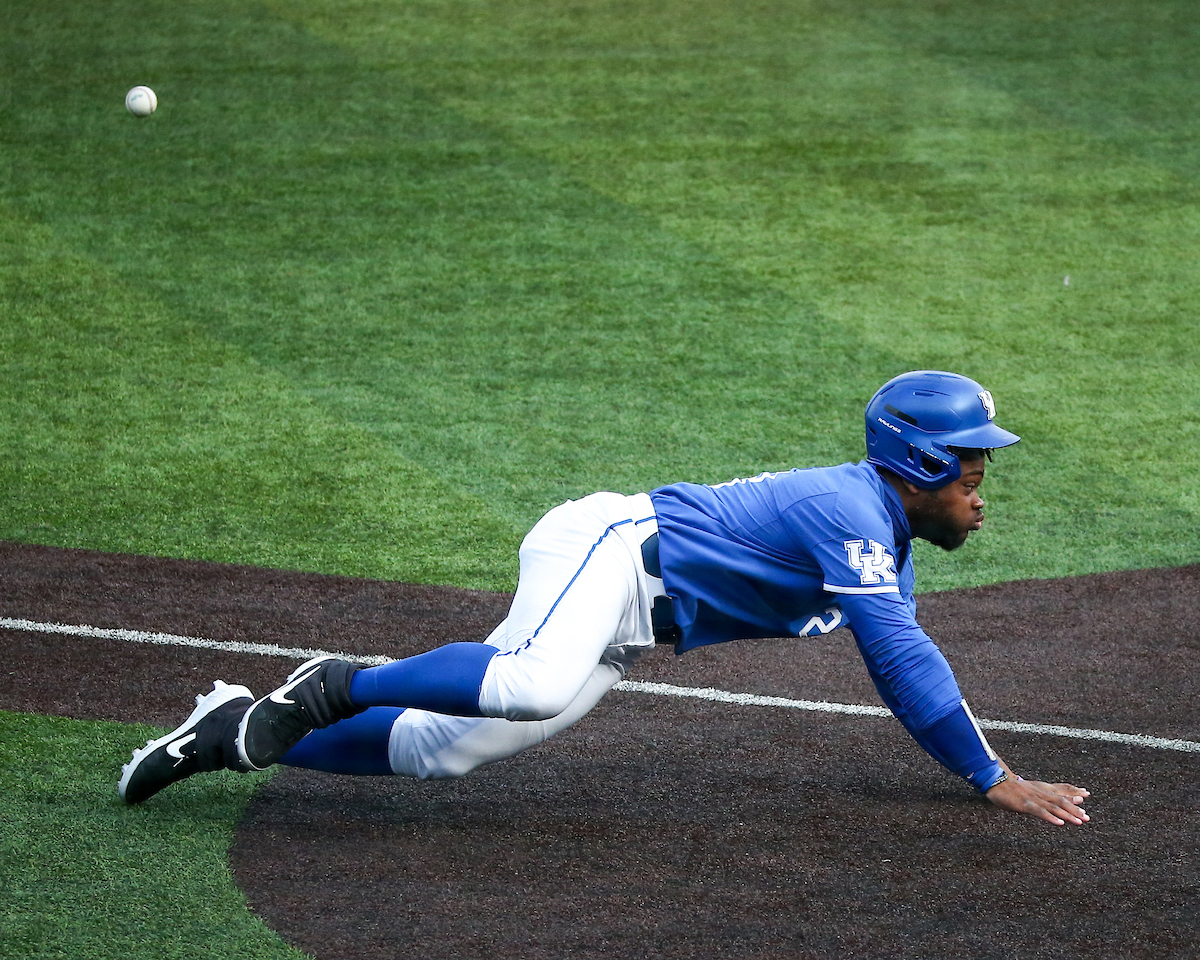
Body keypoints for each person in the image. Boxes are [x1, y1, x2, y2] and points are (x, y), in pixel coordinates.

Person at [120, 370, 1090, 826]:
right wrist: (991, 777)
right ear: (918, 462)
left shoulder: (883, 545)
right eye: (970, 470)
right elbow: (903, 665)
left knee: (441, 751)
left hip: (632, 619)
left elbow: (904, 653)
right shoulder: (846, 508)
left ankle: (229, 729)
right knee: (535, 683)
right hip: (611, 550)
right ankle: (334, 682)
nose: (979, 490)